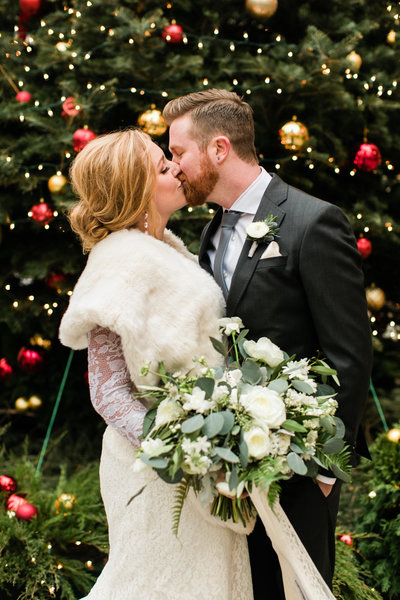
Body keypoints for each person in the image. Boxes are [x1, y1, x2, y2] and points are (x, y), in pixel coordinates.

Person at [163, 89, 373, 599]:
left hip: (299, 466)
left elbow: (349, 352)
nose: (174, 167)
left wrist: (325, 469)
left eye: (178, 152)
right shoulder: (208, 235)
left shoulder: (312, 222)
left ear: (218, 149)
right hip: (229, 470)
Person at [59, 128, 254, 600]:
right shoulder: (118, 261)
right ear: (136, 187)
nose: (177, 169)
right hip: (155, 472)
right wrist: (186, 452)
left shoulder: (170, 247)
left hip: (201, 462)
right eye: (162, 166)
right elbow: (108, 392)